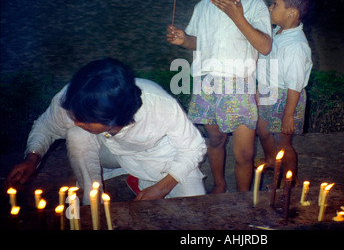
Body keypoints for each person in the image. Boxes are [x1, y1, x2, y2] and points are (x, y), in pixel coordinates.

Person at [6, 58, 207, 204]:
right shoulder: (76, 98)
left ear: (113, 121)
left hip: (158, 155)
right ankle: (92, 202)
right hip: (111, 153)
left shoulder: (160, 107)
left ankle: (137, 177)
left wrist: (162, 187)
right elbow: (45, 125)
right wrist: (32, 158)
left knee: (194, 208)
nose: (75, 121)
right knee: (77, 135)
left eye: (84, 120)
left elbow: (194, 149)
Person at [167, 0, 272, 193]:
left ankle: (244, 197)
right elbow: (199, 42)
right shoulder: (203, 7)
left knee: (244, 152)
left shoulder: (256, 6)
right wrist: (184, 40)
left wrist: (238, 17)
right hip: (207, 83)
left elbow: (265, 46)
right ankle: (220, 185)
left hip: (240, 85)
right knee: (215, 139)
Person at [257, 0, 313, 185]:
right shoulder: (279, 32)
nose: (270, 7)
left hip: (285, 98)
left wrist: (288, 115)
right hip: (267, 91)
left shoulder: (296, 47)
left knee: (283, 142)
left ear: (292, 13)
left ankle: (291, 177)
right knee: (262, 130)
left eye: (274, 3)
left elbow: (295, 85)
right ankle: (272, 160)